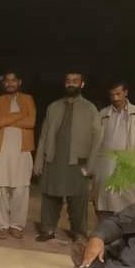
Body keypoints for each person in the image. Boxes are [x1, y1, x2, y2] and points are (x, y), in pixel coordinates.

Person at [34, 71, 99, 242]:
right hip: (54, 159)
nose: (71, 83)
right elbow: (44, 135)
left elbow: (97, 139)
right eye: (68, 81)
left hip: (78, 162)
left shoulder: (90, 109)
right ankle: (47, 230)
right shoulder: (53, 107)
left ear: (82, 84)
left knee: (78, 199)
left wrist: (90, 167)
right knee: (50, 196)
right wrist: (38, 161)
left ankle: (79, 233)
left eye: (75, 81)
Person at [86, 81, 135, 221]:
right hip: (105, 162)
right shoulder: (103, 114)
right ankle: (103, 230)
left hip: (126, 163)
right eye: (112, 95)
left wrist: (132, 161)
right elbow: (96, 140)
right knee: (102, 200)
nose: (115, 98)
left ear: (126, 93)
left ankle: (122, 230)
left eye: (118, 94)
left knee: (126, 199)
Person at [0, 70, 36, 239]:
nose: (10, 83)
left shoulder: (28, 99)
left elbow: (31, 122)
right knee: (0, 188)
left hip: (22, 151)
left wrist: (7, 118)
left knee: (20, 190)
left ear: (19, 82)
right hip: (0, 151)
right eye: (7, 81)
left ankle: (16, 225)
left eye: (13, 80)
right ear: (4, 83)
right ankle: (2, 226)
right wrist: (21, 115)